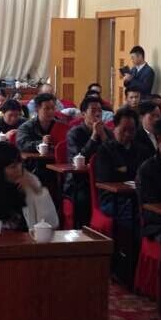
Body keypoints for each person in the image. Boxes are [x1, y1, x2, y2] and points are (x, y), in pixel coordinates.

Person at [92, 107, 150, 220]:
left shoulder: (142, 150)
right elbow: (107, 179)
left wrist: (126, 171)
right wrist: (130, 173)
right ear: (115, 127)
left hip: (138, 197)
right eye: (124, 130)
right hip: (113, 199)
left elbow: (146, 175)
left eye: (132, 130)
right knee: (135, 216)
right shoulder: (105, 150)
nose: (128, 134)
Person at [62, 96, 109, 227]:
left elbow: (114, 156)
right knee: (84, 199)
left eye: (99, 110)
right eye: (93, 110)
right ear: (83, 114)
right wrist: (93, 137)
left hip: (103, 180)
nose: (98, 114)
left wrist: (103, 136)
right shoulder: (74, 133)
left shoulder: (107, 132)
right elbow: (78, 158)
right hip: (79, 182)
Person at [15, 92, 60, 173]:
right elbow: (22, 145)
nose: (51, 111)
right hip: (34, 165)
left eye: (53, 108)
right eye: (46, 108)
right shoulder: (26, 127)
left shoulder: (60, 125)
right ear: (37, 109)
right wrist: (42, 142)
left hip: (57, 163)